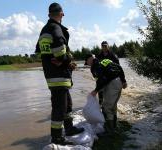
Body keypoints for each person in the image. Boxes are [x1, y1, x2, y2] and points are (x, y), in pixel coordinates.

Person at [35, 2, 84, 145]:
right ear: (62, 14)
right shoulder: (56, 28)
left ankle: (69, 129)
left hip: (52, 74)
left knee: (67, 104)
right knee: (59, 108)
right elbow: (60, 54)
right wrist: (68, 60)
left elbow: (41, 51)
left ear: (49, 14)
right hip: (59, 75)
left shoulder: (44, 30)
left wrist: (59, 59)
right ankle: (57, 137)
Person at [84, 53, 127, 136]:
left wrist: (96, 90)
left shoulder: (95, 67)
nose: (88, 65)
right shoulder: (105, 61)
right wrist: (124, 80)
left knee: (107, 108)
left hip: (112, 84)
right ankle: (114, 126)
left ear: (90, 59)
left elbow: (101, 80)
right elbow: (119, 67)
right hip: (119, 82)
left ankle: (110, 131)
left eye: (87, 62)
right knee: (113, 106)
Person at [96, 41, 119, 106]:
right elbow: (96, 65)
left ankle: (111, 104)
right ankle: (100, 104)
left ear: (108, 46)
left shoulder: (113, 55)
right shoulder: (99, 55)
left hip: (111, 76)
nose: (104, 47)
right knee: (100, 90)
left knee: (110, 92)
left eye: (105, 46)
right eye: (103, 46)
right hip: (101, 76)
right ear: (101, 47)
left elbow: (118, 66)